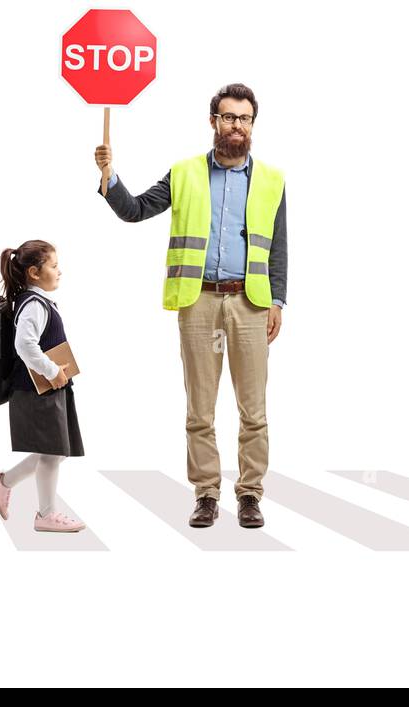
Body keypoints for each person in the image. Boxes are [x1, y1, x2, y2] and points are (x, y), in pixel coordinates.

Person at [95, 83, 288, 529]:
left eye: (243, 118)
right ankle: (205, 493)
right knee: (200, 409)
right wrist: (110, 178)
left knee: (253, 410)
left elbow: (278, 246)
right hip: (197, 301)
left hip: (251, 304)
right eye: (227, 117)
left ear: (252, 125)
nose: (235, 125)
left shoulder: (272, 180)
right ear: (213, 122)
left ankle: (250, 495)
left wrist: (277, 299)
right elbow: (136, 210)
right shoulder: (184, 173)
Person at [0, 240, 86, 533]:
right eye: (53, 266)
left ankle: (4, 482)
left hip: (48, 388)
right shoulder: (33, 305)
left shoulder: (37, 302)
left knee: (54, 450)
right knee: (52, 451)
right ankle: (46, 514)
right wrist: (53, 371)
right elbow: (24, 345)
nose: (59, 271)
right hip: (37, 389)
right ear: (34, 272)